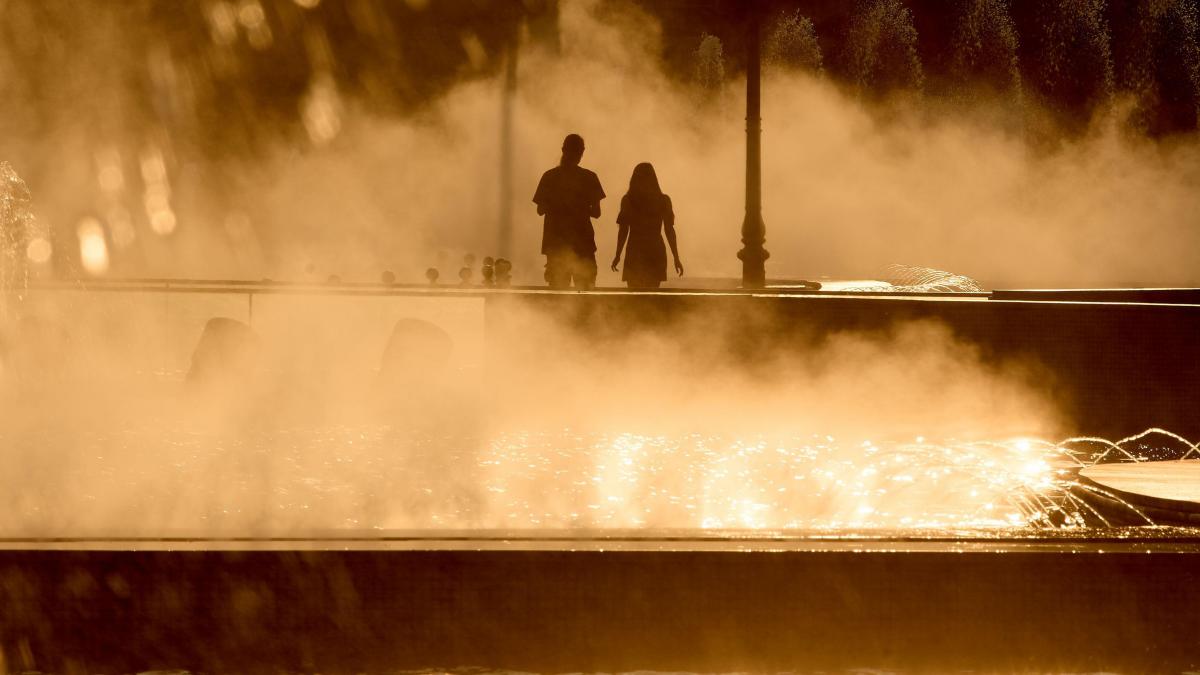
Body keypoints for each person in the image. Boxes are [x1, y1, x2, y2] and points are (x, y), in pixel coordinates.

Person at [532, 134, 606, 290]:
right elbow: (597, 213)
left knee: (557, 294)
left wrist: (558, 205)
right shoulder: (589, 177)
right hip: (583, 243)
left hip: (556, 244)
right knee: (586, 292)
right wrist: (580, 207)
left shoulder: (549, 177)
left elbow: (540, 210)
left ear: (563, 150)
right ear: (582, 152)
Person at [610, 163, 683, 289]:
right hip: (655, 250)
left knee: (634, 298)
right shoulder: (663, 200)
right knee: (652, 298)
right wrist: (676, 257)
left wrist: (618, 255)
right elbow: (669, 230)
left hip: (635, 249)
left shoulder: (628, 200)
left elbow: (623, 230)